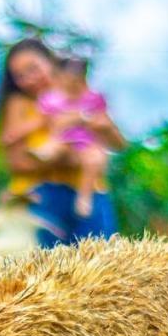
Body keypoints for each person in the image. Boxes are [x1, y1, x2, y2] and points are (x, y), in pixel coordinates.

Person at [0, 38, 127, 248]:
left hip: (89, 194)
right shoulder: (20, 104)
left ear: (50, 62)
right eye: (19, 76)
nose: (29, 79)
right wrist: (70, 159)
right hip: (42, 198)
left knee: (99, 269)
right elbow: (17, 162)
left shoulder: (80, 96)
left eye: (33, 68)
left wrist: (90, 122)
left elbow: (118, 143)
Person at [27, 56, 111, 218]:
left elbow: (101, 122)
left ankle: (84, 198)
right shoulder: (53, 98)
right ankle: (43, 154)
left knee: (94, 159)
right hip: (64, 140)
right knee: (53, 145)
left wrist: (82, 118)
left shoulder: (93, 99)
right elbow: (49, 120)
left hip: (87, 142)